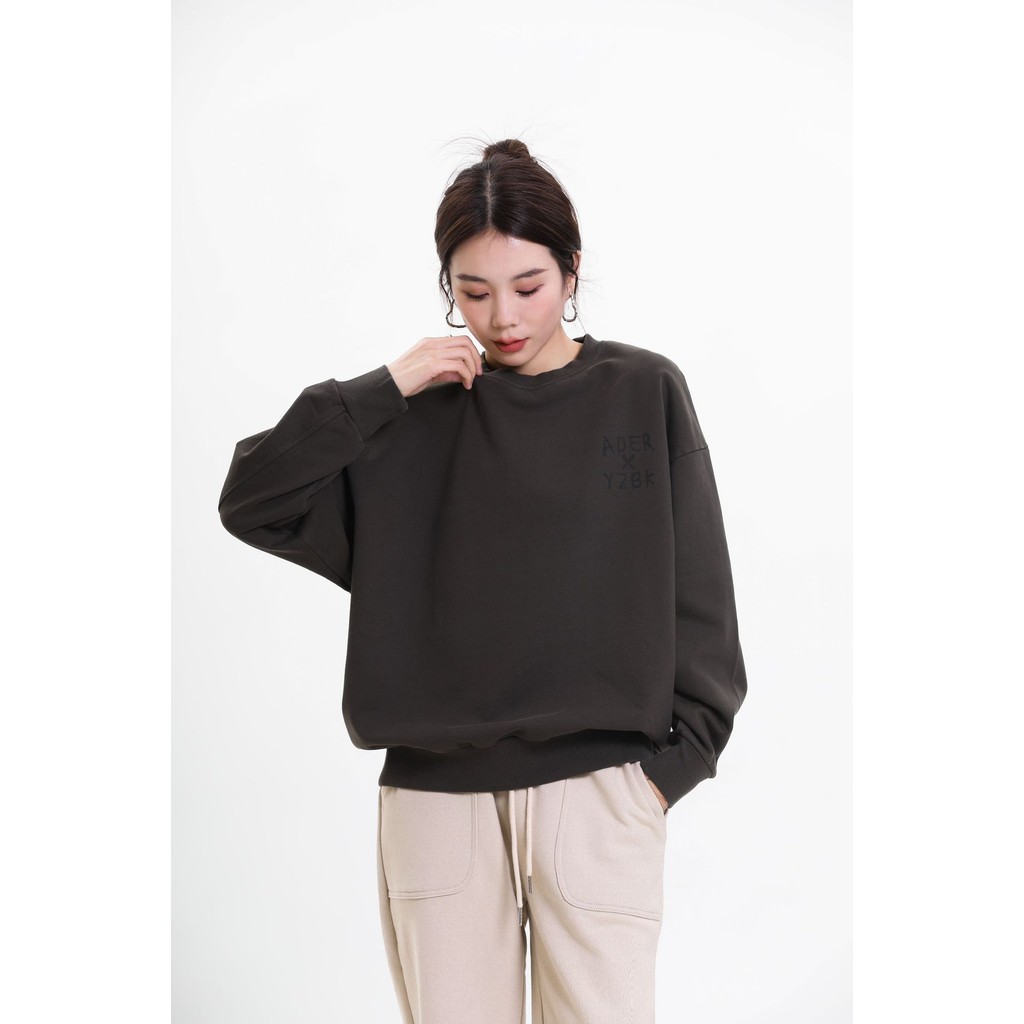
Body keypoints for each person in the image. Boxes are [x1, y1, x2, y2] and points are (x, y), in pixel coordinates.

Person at [218, 137, 747, 1024]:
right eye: (473, 292)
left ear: (572, 271)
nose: (503, 317)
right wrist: (385, 386)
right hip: (435, 806)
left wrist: (666, 773)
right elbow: (251, 498)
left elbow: (702, 599)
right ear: (447, 289)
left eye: (528, 286)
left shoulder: (642, 391)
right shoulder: (411, 416)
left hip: (600, 793)